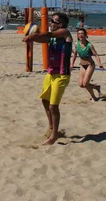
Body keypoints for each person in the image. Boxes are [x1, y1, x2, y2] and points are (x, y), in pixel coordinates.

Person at [22, 12, 72, 146]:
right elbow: (44, 39)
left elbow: (49, 35)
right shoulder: (52, 37)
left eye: (53, 21)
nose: (50, 23)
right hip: (51, 73)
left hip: (62, 74)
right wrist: (30, 38)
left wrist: (32, 35)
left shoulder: (65, 33)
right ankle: (51, 127)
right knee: (45, 101)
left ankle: (54, 135)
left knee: (53, 105)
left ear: (60, 24)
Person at [71, 28, 104, 101]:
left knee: (85, 84)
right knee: (81, 84)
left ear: (86, 35)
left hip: (90, 65)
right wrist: (72, 64)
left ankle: (94, 97)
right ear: (77, 35)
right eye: (79, 33)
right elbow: (75, 55)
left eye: (82, 33)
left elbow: (96, 55)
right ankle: (96, 87)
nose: (81, 35)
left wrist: (100, 64)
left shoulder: (89, 45)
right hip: (82, 65)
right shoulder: (76, 44)